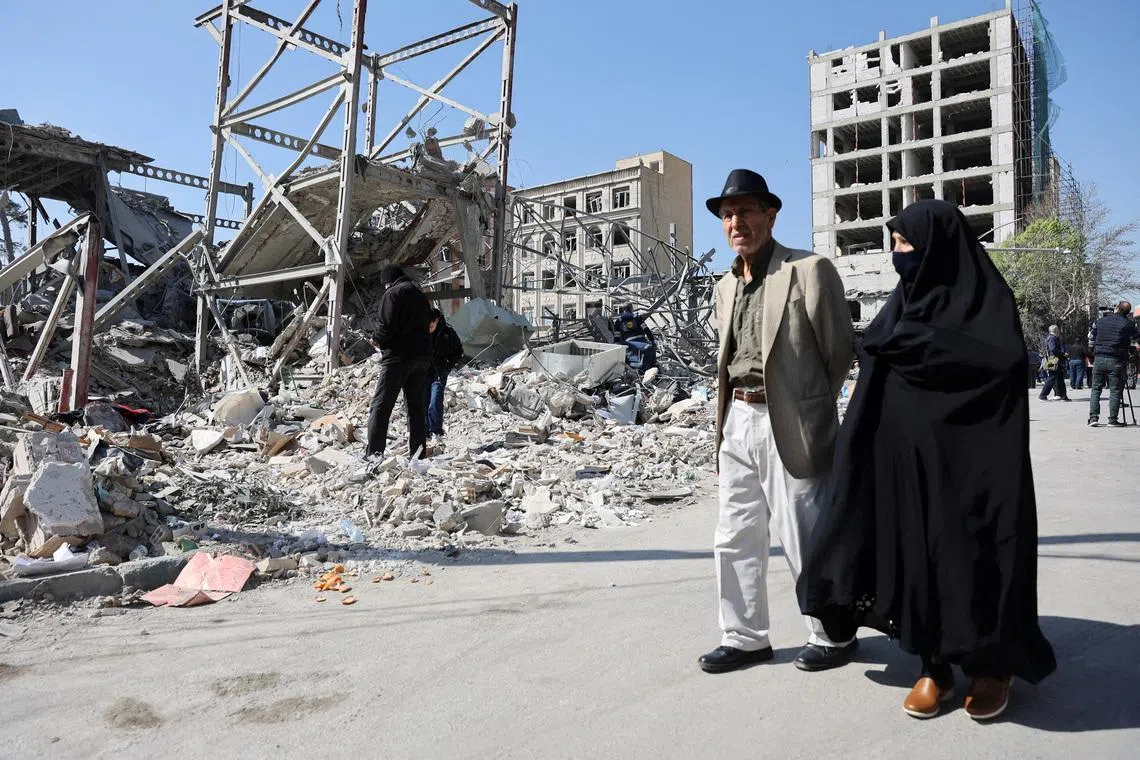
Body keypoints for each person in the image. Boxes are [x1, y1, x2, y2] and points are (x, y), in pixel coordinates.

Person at [798, 199, 1056, 721]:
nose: (898, 256)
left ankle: (989, 666)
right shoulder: (901, 308)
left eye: (905, 245)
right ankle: (934, 664)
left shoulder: (988, 304)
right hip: (908, 468)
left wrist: (926, 351)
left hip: (974, 469)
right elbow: (875, 372)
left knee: (976, 556)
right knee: (918, 556)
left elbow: (1000, 368)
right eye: (893, 245)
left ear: (938, 247)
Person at [698, 169, 856, 675]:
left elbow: (838, 352)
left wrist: (806, 405)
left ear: (770, 214)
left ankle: (831, 634)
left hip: (790, 417)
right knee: (735, 535)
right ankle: (745, 637)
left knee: (804, 531)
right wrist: (728, 422)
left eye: (745, 211)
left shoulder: (808, 270)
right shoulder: (725, 285)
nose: (735, 221)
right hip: (736, 420)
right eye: (727, 214)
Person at [365, 265, 433, 459]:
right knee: (416, 408)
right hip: (422, 357)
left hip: (397, 359)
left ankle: (374, 454)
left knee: (381, 406)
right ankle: (418, 454)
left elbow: (387, 325)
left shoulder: (393, 294)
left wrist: (376, 339)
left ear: (388, 281)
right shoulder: (420, 294)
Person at [1087, 300, 1136, 427]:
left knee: (1096, 389)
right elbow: (1136, 338)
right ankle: (1112, 420)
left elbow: (1091, 337)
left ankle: (1093, 418)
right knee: (1115, 390)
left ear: (1117, 308)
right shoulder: (1129, 324)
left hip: (1099, 358)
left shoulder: (1100, 321)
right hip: (1117, 360)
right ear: (1127, 312)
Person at [425, 308, 464, 441]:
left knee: (435, 401)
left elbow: (458, 351)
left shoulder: (447, 332)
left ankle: (436, 430)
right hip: (424, 372)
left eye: (431, 326)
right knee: (424, 401)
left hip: (439, 371)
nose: (429, 329)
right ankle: (425, 431)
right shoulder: (421, 331)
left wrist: (448, 365)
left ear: (436, 321)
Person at [1037, 325, 1069, 401]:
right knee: (1051, 378)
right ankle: (1043, 395)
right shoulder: (1052, 338)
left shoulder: (1053, 338)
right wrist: (1063, 354)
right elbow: (1053, 349)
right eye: (1058, 329)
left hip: (1054, 360)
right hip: (1053, 360)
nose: (1059, 331)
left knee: (1060, 378)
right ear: (1055, 330)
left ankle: (1063, 396)